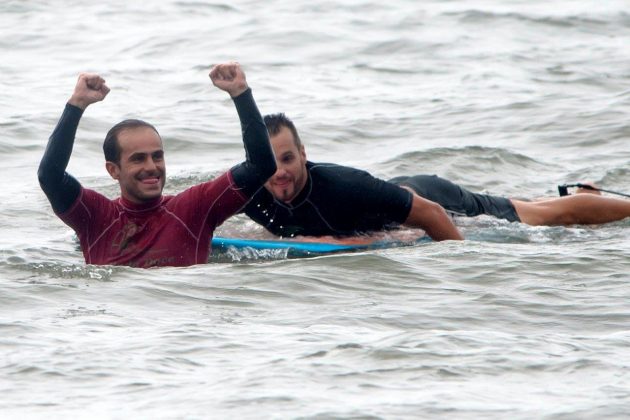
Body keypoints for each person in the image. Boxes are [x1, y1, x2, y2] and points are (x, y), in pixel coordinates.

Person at [242, 113, 630, 239]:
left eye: (288, 158)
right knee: (516, 205)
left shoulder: (343, 184)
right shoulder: (250, 192)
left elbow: (433, 217)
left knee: (543, 217)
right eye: (270, 163)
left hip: (429, 201)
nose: (280, 173)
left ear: (304, 155)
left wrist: (465, 265)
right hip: (397, 203)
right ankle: (583, 192)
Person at [38, 62, 276, 268]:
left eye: (157, 156)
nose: (152, 166)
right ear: (113, 170)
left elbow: (261, 166)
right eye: (138, 158)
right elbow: (50, 175)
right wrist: (76, 105)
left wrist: (241, 94)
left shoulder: (194, 209)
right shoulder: (96, 217)